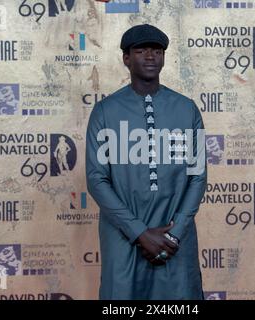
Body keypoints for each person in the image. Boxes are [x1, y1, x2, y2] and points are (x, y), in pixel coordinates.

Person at [86, 24, 207, 300]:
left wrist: (174, 235)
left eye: (157, 50)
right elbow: (96, 178)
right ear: (126, 58)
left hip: (175, 238)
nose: (150, 56)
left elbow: (197, 176)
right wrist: (139, 232)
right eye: (141, 50)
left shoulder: (186, 109)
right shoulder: (105, 111)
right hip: (123, 237)